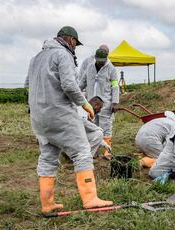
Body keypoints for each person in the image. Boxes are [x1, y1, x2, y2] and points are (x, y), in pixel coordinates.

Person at [26, 26, 113, 214]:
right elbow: (69, 85)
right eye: (75, 44)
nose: (75, 48)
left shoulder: (35, 59)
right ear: (71, 41)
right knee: (82, 151)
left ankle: (47, 203)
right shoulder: (62, 55)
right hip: (59, 113)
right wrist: (85, 104)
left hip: (39, 117)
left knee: (48, 157)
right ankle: (90, 199)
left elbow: (28, 86)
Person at [79, 48, 119, 160]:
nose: (101, 63)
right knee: (92, 127)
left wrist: (115, 102)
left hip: (105, 103)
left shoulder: (111, 68)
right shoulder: (90, 67)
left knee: (106, 127)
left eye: (103, 60)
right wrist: (74, 94)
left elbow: (115, 86)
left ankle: (107, 152)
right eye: (99, 60)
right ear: (95, 58)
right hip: (91, 104)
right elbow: (82, 82)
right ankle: (94, 151)